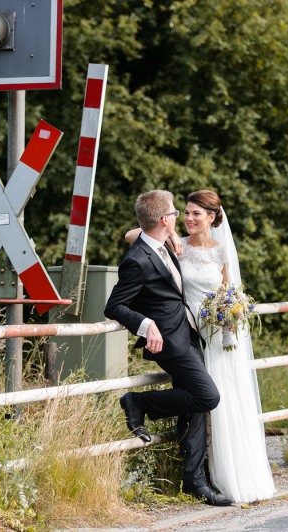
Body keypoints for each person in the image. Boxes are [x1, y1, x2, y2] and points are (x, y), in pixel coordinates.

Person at [124, 190, 275, 504]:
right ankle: (194, 477)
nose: (190, 218)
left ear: (213, 218)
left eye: (196, 214)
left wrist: (231, 316)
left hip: (214, 339)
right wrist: (171, 236)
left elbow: (228, 292)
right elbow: (133, 234)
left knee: (206, 404)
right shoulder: (173, 241)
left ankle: (207, 478)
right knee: (203, 397)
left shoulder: (220, 252)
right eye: (186, 213)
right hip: (184, 336)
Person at [104, 190, 234, 507]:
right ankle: (138, 402)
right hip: (169, 341)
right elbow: (114, 306)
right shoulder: (137, 259)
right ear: (165, 219)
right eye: (176, 213)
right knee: (208, 396)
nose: (181, 218)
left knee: (195, 406)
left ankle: (194, 482)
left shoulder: (166, 245)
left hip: (189, 333)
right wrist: (145, 324)